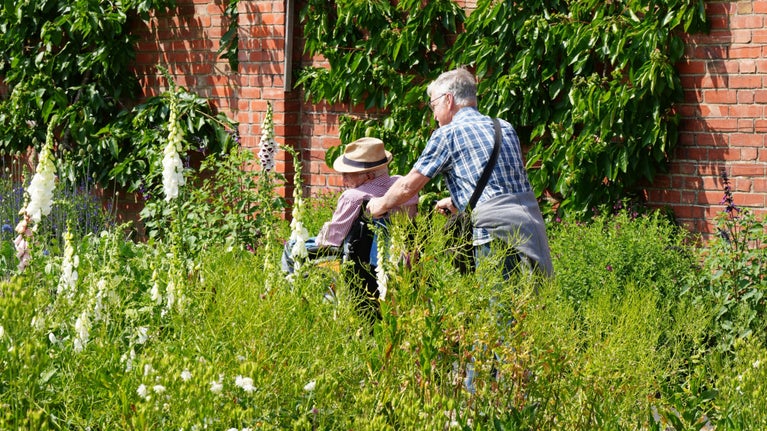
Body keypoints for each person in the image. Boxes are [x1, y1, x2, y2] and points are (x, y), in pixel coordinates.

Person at [367, 67, 554, 278]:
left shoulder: (447, 134)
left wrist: (379, 204)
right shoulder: (503, 127)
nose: (434, 114)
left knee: (499, 306)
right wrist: (459, 202)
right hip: (530, 224)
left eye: (434, 105)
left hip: (493, 231)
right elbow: (505, 180)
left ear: (448, 100)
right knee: (535, 300)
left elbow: (408, 186)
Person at [281, 137, 418, 274]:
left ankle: (289, 287)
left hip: (363, 260)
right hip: (400, 257)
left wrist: (322, 232)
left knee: (292, 246)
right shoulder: (403, 187)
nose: (343, 179)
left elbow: (331, 240)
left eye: (347, 174)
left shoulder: (353, 197)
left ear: (369, 176)